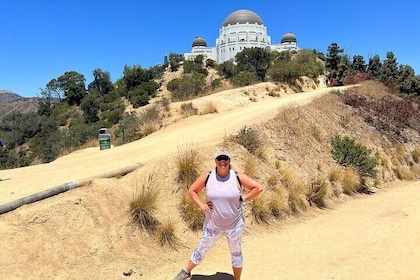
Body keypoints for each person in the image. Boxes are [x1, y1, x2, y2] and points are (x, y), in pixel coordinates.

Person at [174, 150, 263, 280]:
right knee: (202, 249)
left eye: (225, 158)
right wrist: (201, 205)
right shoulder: (208, 177)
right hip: (213, 224)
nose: (223, 161)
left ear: (229, 160)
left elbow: (258, 188)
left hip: (235, 225)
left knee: (236, 253)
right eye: (219, 158)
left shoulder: (236, 176)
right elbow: (192, 190)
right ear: (215, 161)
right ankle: (186, 271)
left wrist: (244, 198)